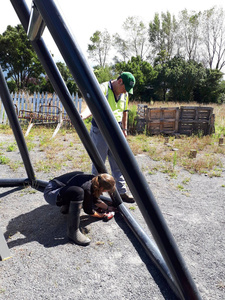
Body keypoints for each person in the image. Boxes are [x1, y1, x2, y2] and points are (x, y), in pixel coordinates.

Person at [81, 72, 136, 203]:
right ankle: (94, 194)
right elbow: (91, 105)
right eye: (125, 88)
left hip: (116, 131)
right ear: (120, 81)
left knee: (118, 162)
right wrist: (82, 116)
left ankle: (121, 192)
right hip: (100, 129)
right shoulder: (103, 88)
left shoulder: (125, 94)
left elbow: (124, 113)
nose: (125, 92)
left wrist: (124, 129)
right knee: (99, 163)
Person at [44, 171, 116, 246]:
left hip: (60, 189)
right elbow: (88, 210)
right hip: (51, 193)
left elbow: (94, 198)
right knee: (78, 192)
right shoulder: (87, 187)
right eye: (106, 191)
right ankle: (73, 232)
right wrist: (101, 215)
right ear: (101, 188)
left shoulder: (95, 180)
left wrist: (107, 207)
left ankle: (66, 208)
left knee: (78, 193)